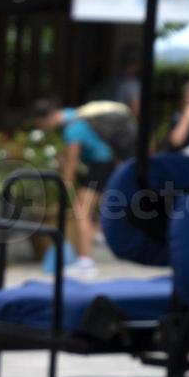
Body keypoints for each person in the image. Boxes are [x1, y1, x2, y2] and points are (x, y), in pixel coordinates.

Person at [27, 97, 135, 277]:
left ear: (45, 118)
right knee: (86, 210)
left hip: (99, 166)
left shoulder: (72, 128)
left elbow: (71, 162)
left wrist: (64, 185)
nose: (42, 129)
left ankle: (86, 262)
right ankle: (95, 238)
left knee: (81, 211)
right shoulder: (73, 114)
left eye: (40, 124)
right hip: (105, 164)